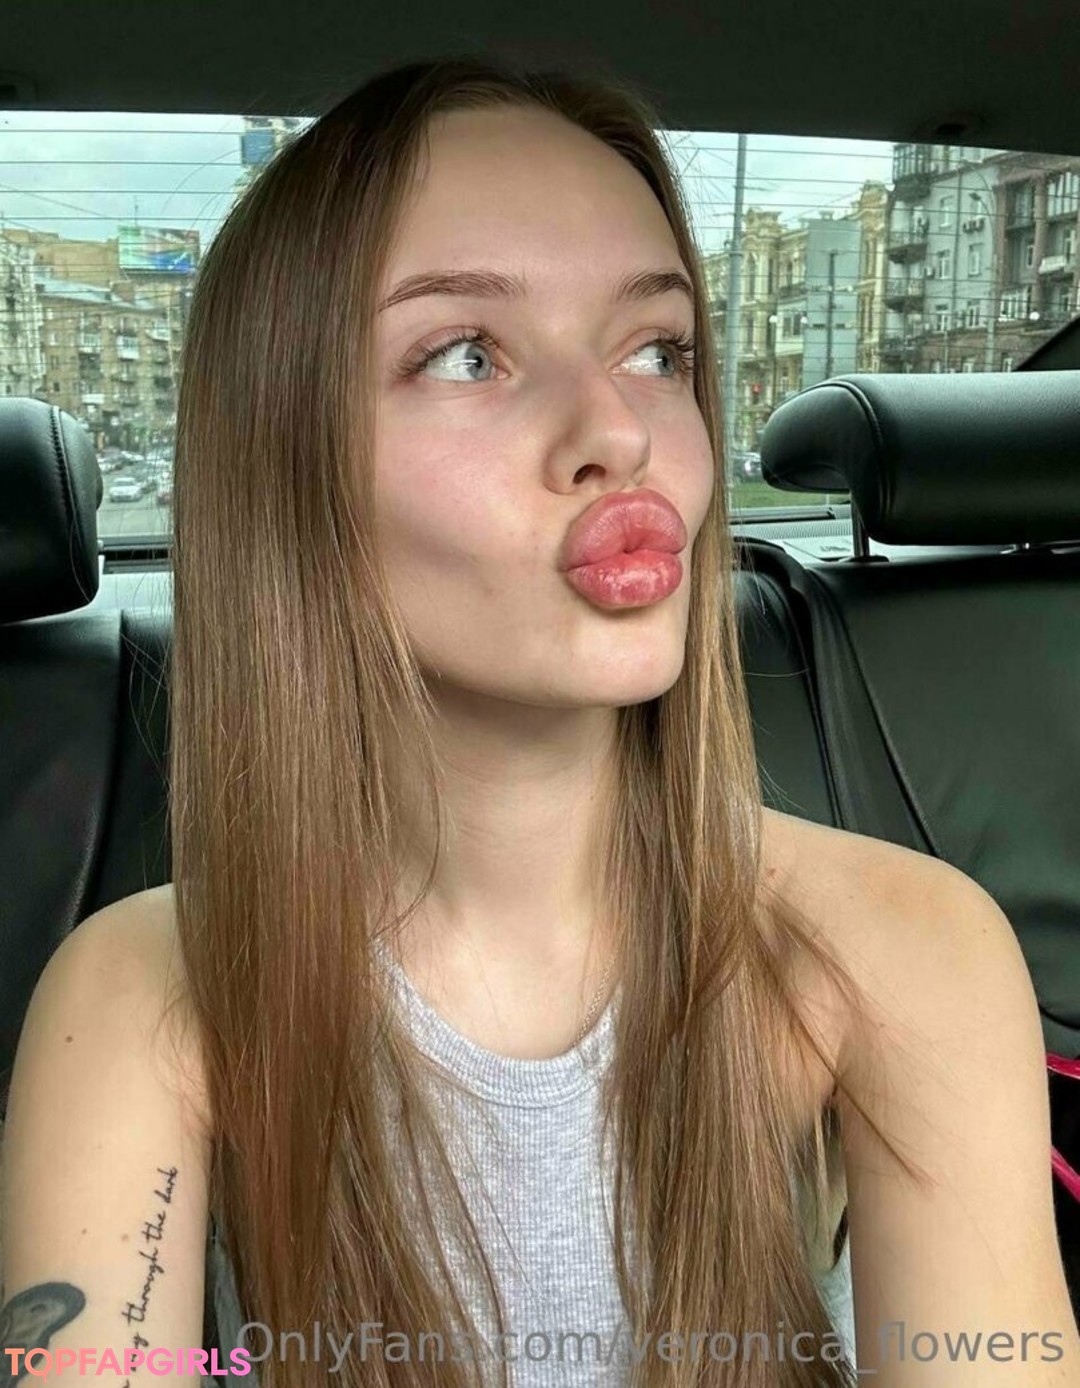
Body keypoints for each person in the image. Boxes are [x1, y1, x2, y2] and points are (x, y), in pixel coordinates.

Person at [2, 54, 1076, 1388]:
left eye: (657, 350)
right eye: (468, 354)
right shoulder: (140, 998)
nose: (620, 431)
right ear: (287, 468)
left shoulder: (912, 954)